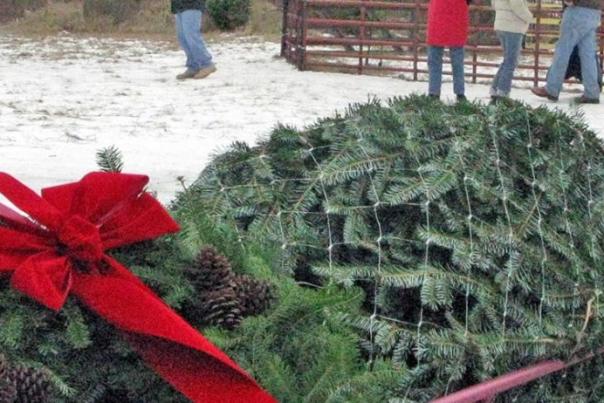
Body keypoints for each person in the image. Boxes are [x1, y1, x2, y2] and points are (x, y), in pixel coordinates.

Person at [532, 0, 602, 104]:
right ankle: (592, 93)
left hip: (576, 10)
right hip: (594, 12)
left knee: (563, 50)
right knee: (588, 54)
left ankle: (552, 89)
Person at [426, 0, 472, 101]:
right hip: (457, 14)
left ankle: (433, 93)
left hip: (438, 14)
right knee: (457, 60)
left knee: (434, 59)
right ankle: (460, 93)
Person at [490, 0, 534, 102]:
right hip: (512, 26)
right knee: (511, 62)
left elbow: (493, 4)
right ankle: (503, 91)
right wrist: (529, 17)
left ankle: (495, 88)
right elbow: (517, 5)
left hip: (501, 24)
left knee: (507, 60)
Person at [171, 0, 216, 80]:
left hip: (192, 4)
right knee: (182, 37)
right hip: (178, 5)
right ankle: (194, 66)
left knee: (191, 35)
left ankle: (206, 64)